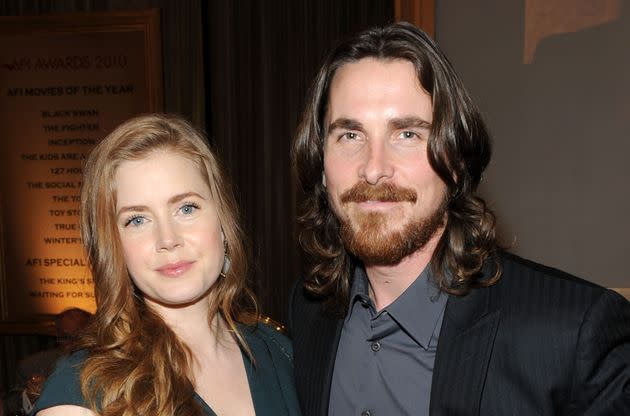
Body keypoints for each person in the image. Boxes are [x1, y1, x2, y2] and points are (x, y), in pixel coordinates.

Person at [288, 22, 630, 415]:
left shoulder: (572, 334)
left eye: (407, 135)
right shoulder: (309, 309)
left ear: (454, 159)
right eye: (350, 135)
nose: (373, 168)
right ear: (321, 162)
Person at [33, 114, 301, 415]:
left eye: (186, 208)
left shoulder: (280, 351)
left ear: (223, 221)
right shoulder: (84, 391)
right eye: (137, 219)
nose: (168, 239)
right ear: (114, 248)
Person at [5, 308, 91, 415]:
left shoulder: (106, 364)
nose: (74, 344)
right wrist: (29, 396)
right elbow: (8, 405)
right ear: (57, 335)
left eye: (80, 338)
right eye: (66, 337)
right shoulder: (33, 365)